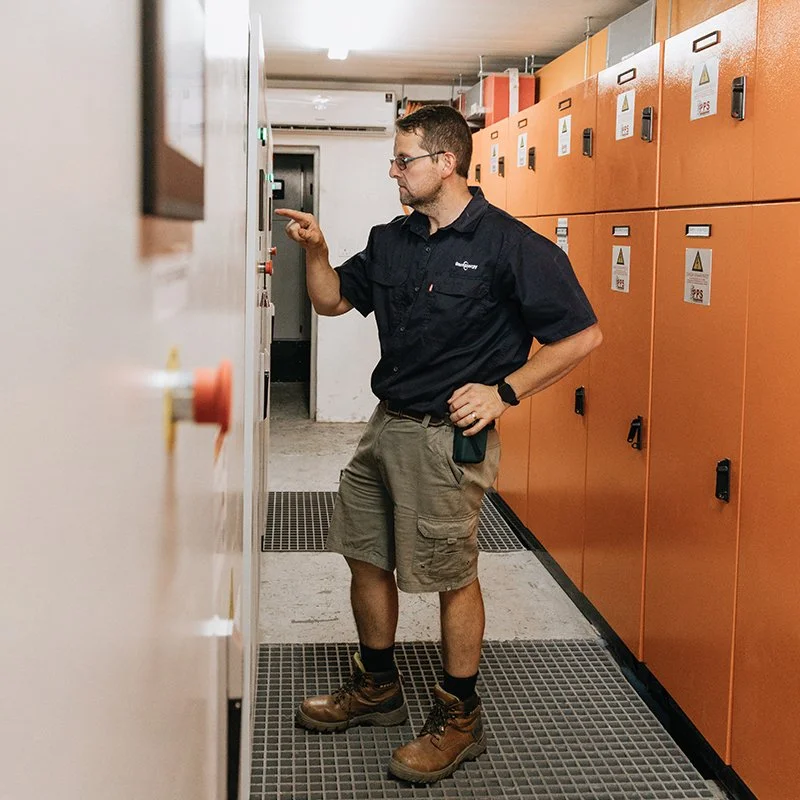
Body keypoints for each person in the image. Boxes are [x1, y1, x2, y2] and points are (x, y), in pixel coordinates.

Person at [276, 104, 602, 784]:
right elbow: (333, 301)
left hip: (445, 440)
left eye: (404, 160)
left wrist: (504, 391)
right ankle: (377, 686)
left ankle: (460, 717)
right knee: (365, 554)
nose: (394, 171)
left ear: (446, 162)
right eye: (394, 160)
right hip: (384, 426)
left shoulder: (512, 246)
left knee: (451, 573)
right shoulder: (392, 240)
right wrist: (316, 252)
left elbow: (581, 335)